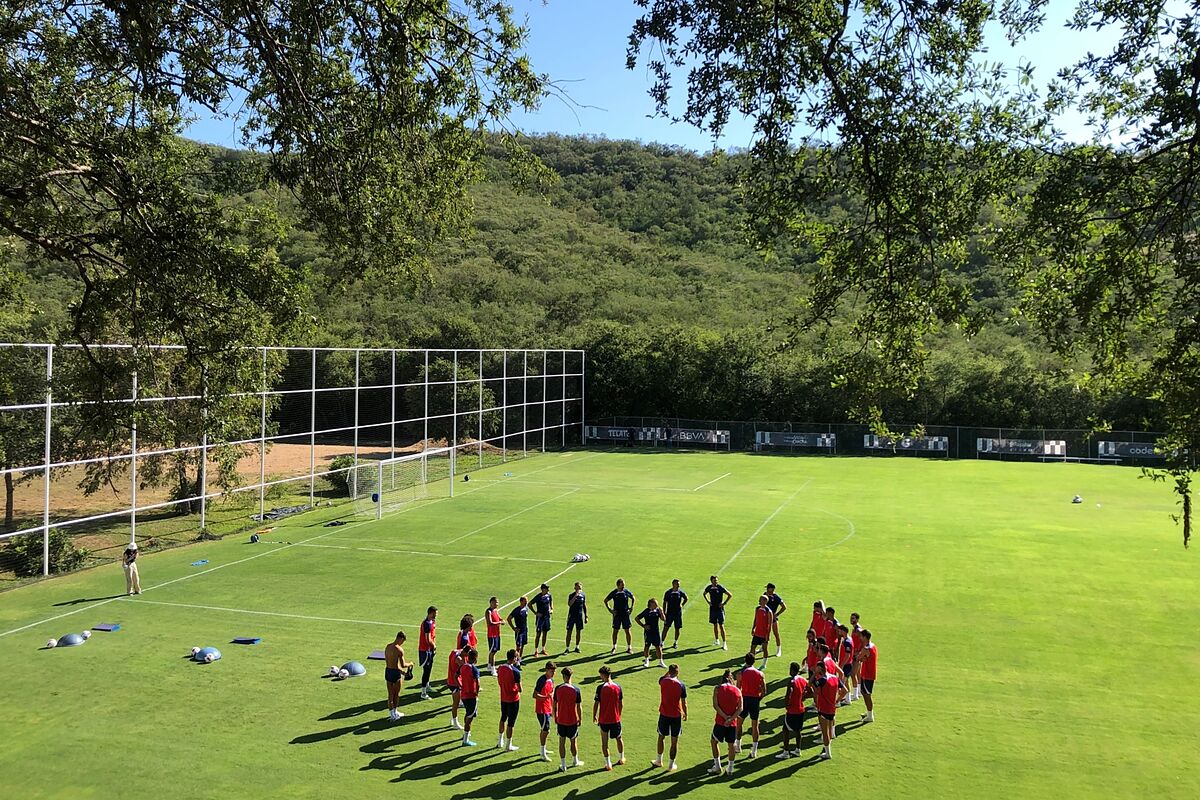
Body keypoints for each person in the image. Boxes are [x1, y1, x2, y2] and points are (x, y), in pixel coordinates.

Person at [653, 663, 687, 771]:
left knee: (661, 737)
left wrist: (668, 673)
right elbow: (684, 702)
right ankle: (671, 765)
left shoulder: (663, 681)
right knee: (674, 741)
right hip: (676, 715)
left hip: (664, 714)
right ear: (677, 672)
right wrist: (685, 713)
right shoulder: (681, 685)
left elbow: (662, 678)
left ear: (669, 671)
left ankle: (659, 760)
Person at [710, 669, 742, 776]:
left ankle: (717, 766)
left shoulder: (717, 689)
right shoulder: (738, 690)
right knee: (731, 745)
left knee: (714, 742)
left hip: (720, 722)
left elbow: (715, 705)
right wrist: (731, 719)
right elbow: (740, 708)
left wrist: (725, 717)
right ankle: (730, 769)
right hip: (732, 724)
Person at [593, 665, 625, 770]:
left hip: (604, 720)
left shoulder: (600, 687)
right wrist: (618, 715)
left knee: (604, 742)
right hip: (615, 719)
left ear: (603, 675)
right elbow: (621, 704)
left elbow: (596, 703)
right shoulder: (618, 687)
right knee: (619, 738)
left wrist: (594, 715)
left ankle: (608, 764)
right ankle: (622, 758)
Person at [553, 666, 585, 771]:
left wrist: (555, 716)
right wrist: (580, 718)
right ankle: (575, 761)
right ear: (571, 676)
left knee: (561, 742)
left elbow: (554, 705)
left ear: (563, 676)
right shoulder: (576, 690)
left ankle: (563, 765)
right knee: (573, 742)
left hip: (561, 720)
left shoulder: (558, 688)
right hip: (572, 720)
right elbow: (579, 706)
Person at [776, 661, 809, 758]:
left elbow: (788, 694)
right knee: (798, 730)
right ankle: (798, 749)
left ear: (792, 670)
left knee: (785, 730)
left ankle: (786, 752)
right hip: (801, 709)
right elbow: (810, 690)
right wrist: (803, 697)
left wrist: (786, 704)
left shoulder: (791, 681)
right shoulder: (803, 679)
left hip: (792, 710)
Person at [812, 660, 843, 759]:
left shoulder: (822, 679)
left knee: (825, 733)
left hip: (823, 708)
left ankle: (828, 753)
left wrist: (814, 675)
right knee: (829, 731)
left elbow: (810, 685)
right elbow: (845, 690)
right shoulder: (835, 678)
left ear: (820, 668)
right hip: (832, 708)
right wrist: (836, 700)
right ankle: (827, 751)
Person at [736, 652, 766, 758]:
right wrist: (758, 699)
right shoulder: (760, 674)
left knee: (739, 723)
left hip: (745, 699)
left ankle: (738, 746)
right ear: (754, 661)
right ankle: (754, 751)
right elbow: (764, 691)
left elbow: (738, 690)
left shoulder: (741, 674)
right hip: (755, 700)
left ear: (745, 661)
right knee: (755, 725)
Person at [384, 631, 414, 722]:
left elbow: (392, 664)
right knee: (396, 694)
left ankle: (392, 713)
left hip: (388, 671)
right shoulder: (399, 649)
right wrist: (410, 664)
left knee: (390, 694)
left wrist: (403, 673)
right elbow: (403, 664)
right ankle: (395, 712)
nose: (402, 643)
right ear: (400, 638)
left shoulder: (388, 647)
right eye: (403, 641)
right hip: (395, 674)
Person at [496, 649, 522, 751]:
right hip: (513, 699)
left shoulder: (501, 668)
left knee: (503, 718)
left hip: (503, 697)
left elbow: (499, 682)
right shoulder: (515, 671)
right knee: (511, 722)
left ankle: (500, 741)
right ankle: (508, 745)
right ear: (514, 658)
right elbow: (520, 689)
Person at [604, 579, 636, 655]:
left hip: (625, 614)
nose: (623, 586)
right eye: (622, 585)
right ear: (618, 585)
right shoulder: (614, 592)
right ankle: (614, 647)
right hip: (617, 615)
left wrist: (631, 607)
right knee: (615, 631)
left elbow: (633, 598)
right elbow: (605, 600)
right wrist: (610, 610)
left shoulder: (626, 591)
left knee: (627, 631)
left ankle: (629, 647)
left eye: (624, 585)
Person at [458, 648, 481, 746]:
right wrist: (476, 693)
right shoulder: (474, 669)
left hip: (463, 695)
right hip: (471, 696)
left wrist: (460, 685)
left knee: (468, 714)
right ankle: (465, 740)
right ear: (475, 658)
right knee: (470, 718)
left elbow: (456, 676)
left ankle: (466, 734)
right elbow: (478, 683)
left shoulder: (463, 667)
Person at [534, 661, 557, 761]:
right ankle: (542, 753)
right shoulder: (541, 680)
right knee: (545, 730)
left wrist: (552, 709)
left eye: (554, 671)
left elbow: (551, 695)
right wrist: (545, 698)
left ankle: (543, 749)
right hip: (541, 709)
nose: (553, 673)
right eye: (551, 671)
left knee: (545, 730)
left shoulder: (551, 680)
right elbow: (535, 695)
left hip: (548, 709)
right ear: (547, 670)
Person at [635, 598, 667, 668]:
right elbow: (637, 618)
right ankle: (646, 660)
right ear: (651, 604)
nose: (657, 605)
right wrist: (643, 625)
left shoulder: (658, 610)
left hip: (656, 632)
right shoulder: (646, 611)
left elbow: (663, 619)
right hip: (648, 632)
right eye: (655, 604)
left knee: (658, 647)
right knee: (647, 646)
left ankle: (661, 661)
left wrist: (662, 612)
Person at [703, 575, 732, 650]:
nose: (716, 581)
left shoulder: (720, 587)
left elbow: (729, 595)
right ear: (711, 581)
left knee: (721, 625)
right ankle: (717, 640)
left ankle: (724, 643)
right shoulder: (709, 588)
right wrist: (708, 601)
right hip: (712, 609)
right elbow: (704, 594)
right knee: (715, 625)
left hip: (719, 609)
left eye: (716, 580)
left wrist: (724, 603)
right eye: (714, 580)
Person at [855, 629, 878, 723]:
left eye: (861, 636)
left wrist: (861, 657)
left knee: (867, 695)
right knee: (864, 693)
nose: (860, 638)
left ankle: (870, 716)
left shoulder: (866, 648)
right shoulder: (873, 646)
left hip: (867, 674)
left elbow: (858, 658)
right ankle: (868, 713)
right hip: (867, 673)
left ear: (865, 637)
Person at [661, 579, 689, 649]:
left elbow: (686, 598)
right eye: (677, 584)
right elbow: (665, 602)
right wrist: (664, 613)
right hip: (670, 613)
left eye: (679, 584)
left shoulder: (680, 592)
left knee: (677, 628)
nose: (678, 585)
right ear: (673, 584)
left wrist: (682, 604)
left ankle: (675, 642)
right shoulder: (668, 592)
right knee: (666, 628)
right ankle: (662, 642)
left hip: (677, 613)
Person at [418, 606, 438, 699]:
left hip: (430, 649)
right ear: (431, 613)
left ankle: (427, 685)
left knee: (429, 668)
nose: (436, 615)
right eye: (435, 613)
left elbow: (433, 636)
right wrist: (433, 645)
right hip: (425, 650)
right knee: (426, 670)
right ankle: (423, 692)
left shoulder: (432, 622)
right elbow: (427, 639)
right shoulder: (426, 624)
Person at [750, 595, 774, 667]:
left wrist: (767, 635)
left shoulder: (769, 611)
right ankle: (751, 662)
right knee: (752, 647)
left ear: (765, 601)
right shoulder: (757, 609)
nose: (759, 600)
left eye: (761, 599)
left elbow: (770, 624)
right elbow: (755, 619)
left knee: (764, 649)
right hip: (757, 632)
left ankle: (764, 664)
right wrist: (753, 628)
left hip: (763, 634)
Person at [531, 583, 554, 657]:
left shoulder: (549, 595)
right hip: (540, 618)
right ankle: (536, 650)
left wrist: (551, 609)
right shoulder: (538, 597)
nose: (548, 590)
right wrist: (535, 613)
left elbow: (551, 602)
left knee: (545, 633)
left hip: (547, 617)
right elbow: (529, 604)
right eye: (547, 588)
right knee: (538, 634)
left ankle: (543, 649)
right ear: (543, 589)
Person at [764, 583, 787, 657]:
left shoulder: (776, 597)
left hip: (773, 618)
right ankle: (762, 647)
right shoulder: (764, 595)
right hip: (765, 617)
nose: (771, 591)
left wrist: (776, 614)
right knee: (764, 633)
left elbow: (784, 607)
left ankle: (778, 649)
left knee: (776, 633)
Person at [565, 581, 588, 653]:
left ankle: (577, 647)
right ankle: (567, 648)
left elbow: (584, 605)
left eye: (580, 587)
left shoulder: (583, 595)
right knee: (569, 632)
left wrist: (586, 616)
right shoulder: (571, 595)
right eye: (578, 587)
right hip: (571, 616)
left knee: (578, 631)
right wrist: (575, 595)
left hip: (579, 616)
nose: (579, 588)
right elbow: (569, 604)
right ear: (575, 588)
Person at [507, 596, 530, 664]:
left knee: (523, 645)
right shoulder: (517, 610)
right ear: (521, 601)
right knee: (518, 647)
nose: (526, 602)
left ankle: (520, 659)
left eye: (527, 601)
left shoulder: (526, 609)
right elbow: (509, 618)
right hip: (519, 631)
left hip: (524, 630)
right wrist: (513, 628)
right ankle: (516, 662)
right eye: (525, 601)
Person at [836, 624, 855, 706]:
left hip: (846, 665)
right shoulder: (848, 639)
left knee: (841, 684)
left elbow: (847, 656)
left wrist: (841, 665)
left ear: (843, 631)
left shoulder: (847, 642)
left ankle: (838, 701)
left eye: (840, 630)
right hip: (847, 665)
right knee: (846, 682)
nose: (839, 632)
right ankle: (848, 699)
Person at [447, 644, 465, 729]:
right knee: (456, 703)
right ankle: (455, 722)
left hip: (451, 680)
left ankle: (453, 719)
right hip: (454, 683)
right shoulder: (459, 659)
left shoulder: (455, 652)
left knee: (456, 702)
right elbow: (463, 668)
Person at [485, 597, 503, 676]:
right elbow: (490, 623)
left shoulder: (495, 611)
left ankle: (489, 665)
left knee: (495, 651)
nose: (497, 604)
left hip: (497, 634)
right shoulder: (488, 611)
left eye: (497, 602)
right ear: (491, 603)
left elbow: (499, 618)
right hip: (492, 635)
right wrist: (499, 622)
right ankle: (493, 669)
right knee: (492, 651)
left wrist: (501, 620)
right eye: (496, 602)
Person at [849, 612, 865, 700]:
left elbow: (863, 642)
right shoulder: (854, 629)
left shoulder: (858, 630)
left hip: (856, 655)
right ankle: (858, 692)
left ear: (857, 619)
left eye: (853, 618)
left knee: (853, 674)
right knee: (858, 674)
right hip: (855, 653)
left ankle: (855, 695)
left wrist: (858, 652)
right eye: (851, 618)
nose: (851, 620)